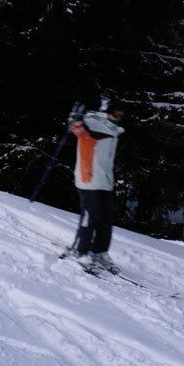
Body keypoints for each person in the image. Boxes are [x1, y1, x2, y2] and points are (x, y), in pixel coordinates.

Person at [65, 99, 125, 273]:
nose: (118, 118)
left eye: (121, 115)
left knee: (106, 218)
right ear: (108, 112)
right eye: (116, 114)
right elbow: (76, 128)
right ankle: (81, 251)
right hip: (88, 180)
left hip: (105, 182)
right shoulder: (93, 123)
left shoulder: (114, 130)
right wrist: (75, 119)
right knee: (90, 217)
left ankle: (100, 251)